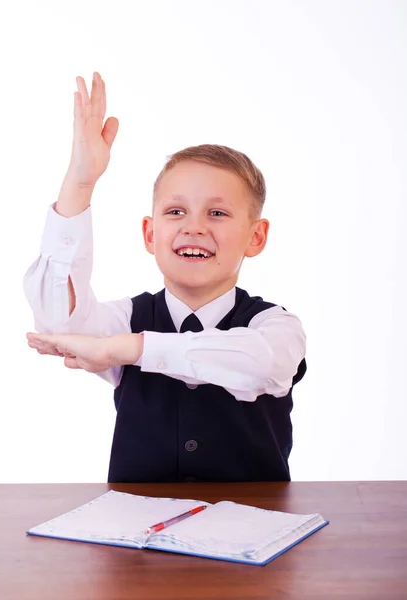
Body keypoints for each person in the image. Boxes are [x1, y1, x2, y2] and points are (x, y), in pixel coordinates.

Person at [24, 71, 307, 483]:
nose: (193, 227)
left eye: (217, 212)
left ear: (256, 236)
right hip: (136, 535)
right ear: (150, 234)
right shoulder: (125, 319)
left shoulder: (274, 327)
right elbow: (57, 323)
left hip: (249, 533)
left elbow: (261, 366)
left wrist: (131, 350)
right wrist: (80, 182)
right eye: (176, 212)